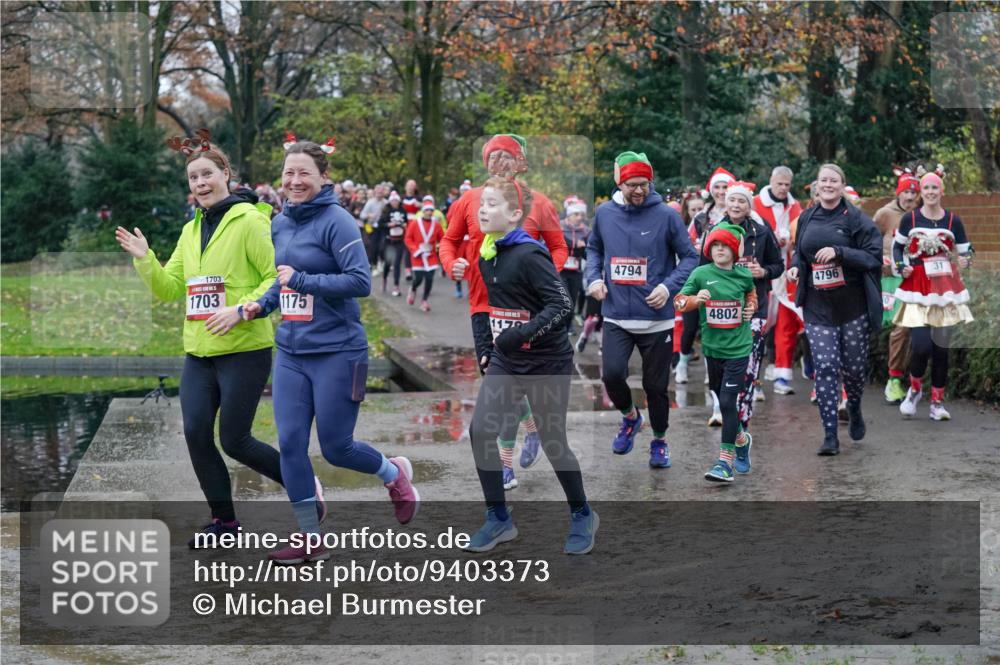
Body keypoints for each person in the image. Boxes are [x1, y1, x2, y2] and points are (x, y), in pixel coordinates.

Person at [116, 129, 323, 547]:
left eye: (207, 174)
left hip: (244, 348)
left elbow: (274, 278)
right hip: (199, 351)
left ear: (225, 173)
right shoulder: (192, 228)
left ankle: (304, 485)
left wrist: (240, 309)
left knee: (235, 439)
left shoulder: (250, 221)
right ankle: (224, 524)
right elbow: (171, 286)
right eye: (193, 179)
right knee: (195, 433)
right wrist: (146, 260)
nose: (200, 184)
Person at [243, 139, 418, 563]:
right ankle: (309, 538)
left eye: (304, 173)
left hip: (339, 350)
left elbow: (361, 282)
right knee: (289, 446)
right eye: (288, 173)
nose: (295, 180)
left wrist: (303, 281)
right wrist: (260, 305)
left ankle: (394, 475)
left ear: (323, 178)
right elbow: (280, 280)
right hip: (291, 351)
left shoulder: (337, 221)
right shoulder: (279, 223)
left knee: (337, 447)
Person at [464, 177, 596, 554]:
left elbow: (562, 307)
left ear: (515, 214)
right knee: (480, 432)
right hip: (508, 359)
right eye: (481, 204)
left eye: (491, 204)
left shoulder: (530, 254)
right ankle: (498, 518)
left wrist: (517, 334)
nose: (482, 210)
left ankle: (583, 513)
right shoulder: (487, 252)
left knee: (554, 443)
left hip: (546, 361)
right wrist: (490, 347)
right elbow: (489, 307)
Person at [439, 134, 569, 490]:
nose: (500, 163)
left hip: (530, 313)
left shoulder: (538, 203)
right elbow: (448, 241)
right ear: (485, 163)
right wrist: (453, 264)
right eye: (493, 157)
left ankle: (508, 461)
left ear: (519, 163)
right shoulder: (469, 201)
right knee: (495, 383)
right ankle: (523, 440)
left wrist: (544, 276)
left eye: (507, 157)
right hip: (484, 307)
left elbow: (559, 247)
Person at [585, 151, 698, 467]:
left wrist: (666, 288)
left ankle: (660, 441)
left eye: (644, 184)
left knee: (655, 387)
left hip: (656, 320)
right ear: (619, 182)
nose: (638, 190)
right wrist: (593, 278)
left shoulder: (666, 215)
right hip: (617, 315)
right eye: (631, 184)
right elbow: (594, 249)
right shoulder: (605, 214)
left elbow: (689, 257)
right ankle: (630, 418)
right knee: (612, 375)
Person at [787, 164, 882, 456]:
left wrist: (840, 253)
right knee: (826, 369)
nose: (828, 185)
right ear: (816, 186)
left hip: (852, 307)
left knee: (853, 370)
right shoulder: (807, 217)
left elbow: (874, 257)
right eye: (823, 180)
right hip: (818, 307)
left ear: (842, 185)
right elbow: (799, 253)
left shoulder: (856, 219)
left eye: (834, 180)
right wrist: (794, 268)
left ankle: (853, 405)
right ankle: (830, 435)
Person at [674, 223, 758, 482]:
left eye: (725, 246)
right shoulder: (700, 274)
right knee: (722, 399)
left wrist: (750, 308)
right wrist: (693, 301)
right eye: (716, 245)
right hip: (712, 349)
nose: (720, 250)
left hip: (739, 348)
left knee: (727, 402)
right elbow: (678, 300)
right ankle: (742, 440)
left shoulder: (744, 276)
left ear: (735, 251)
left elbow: (752, 296)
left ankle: (724, 463)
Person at [893, 170, 974, 421]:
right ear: (921, 192)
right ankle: (915, 390)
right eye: (926, 188)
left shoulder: (953, 221)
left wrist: (965, 260)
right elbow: (898, 247)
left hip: (944, 288)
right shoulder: (910, 219)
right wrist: (900, 265)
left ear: (941, 192)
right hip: (918, 288)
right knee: (920, 346)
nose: (930, 192)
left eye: (934, 188)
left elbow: (966, 251)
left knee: (941, 349)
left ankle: (937, 402)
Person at [716, 181, 783, 437]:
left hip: (754, 309)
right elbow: (699, 269)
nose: (735, 205)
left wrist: (763, 271)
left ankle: (741, 424)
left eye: (741, 201)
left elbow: (777, 265)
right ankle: (727, 411)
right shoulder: (715, 230)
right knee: (723, 370)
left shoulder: (762, 232)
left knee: (748, 368)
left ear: (748, 206)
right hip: (721, 311)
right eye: (732, 200)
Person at [676, 168, 734, 424]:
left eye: (725, 188)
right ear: (711, 190)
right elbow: (686, 247)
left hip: (728, 282)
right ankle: (683, 361)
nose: (721, 193)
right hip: (701, 277)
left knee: (720, 328)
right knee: (691, 326)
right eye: (717, 188)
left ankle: (720, 379)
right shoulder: (701, 218)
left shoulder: (738, 214)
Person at [752, 166, 803, 396]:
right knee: (757, 325)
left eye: (787, 185)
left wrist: (789, 241)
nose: (783, 189)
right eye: (779, 184)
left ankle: (782, 376)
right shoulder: (754, 203)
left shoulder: (795, 206)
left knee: (785, 324)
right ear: (771, 181)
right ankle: (753, 379)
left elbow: (801, 235)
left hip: (786, 274)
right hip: (760, 272)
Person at [873, 168, 920, 404]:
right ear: (898, 192)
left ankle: (899, 379)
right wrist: (879, 260)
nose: (910, 197)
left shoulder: (922, 216)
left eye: (914, 193)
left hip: (916, 280)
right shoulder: (885, 214)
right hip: (888, 279)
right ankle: (890, 379)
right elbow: (869, 242)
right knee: (894, 327)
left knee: (907, 328)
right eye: (906, 192)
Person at [405, 200, 445, 311]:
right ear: (423, 211)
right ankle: (413, 289)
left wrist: (440, 246)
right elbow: (408, 239)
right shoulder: (415, 223)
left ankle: (424, 301)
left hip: (431, 256)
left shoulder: (436, 224)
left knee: (429, 278)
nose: (429, 212)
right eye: (427, 210)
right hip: (418, 256)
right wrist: (415, 249)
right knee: (418, 279)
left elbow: (442, 238)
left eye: (431, 210)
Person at [561, 198, 589, 334]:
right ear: (569, 215)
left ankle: (568, 325)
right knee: (562, 298)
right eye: (576, 215)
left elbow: (589, 253)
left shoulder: (586, 231)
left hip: (576, 269)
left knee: (572, 299)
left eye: (582, 215)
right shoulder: (559, 226)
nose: (579, 218)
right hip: (560, 269)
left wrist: (584, 248)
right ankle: (559, 327)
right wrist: (574, 244)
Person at [379, 191, 407, 296]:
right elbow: (380, 224)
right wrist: (389, 224)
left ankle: (396, 286)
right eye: (393, 200)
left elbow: (407, 222)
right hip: (389, 241)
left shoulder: (403, 211)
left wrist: (404, 225)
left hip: (399, 240)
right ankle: (384, 279)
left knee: (397, 264)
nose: (395, 202)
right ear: (390, 201)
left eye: (396, 200)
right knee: (388, 263)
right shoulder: (386, 211)